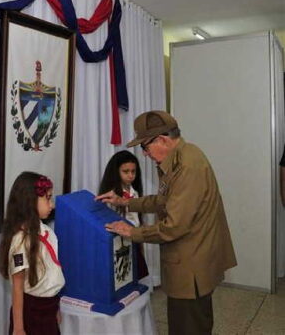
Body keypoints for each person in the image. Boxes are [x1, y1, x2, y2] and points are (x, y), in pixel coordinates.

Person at [97, 110, 236, 335]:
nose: (144, 154)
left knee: (188, 327)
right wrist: (124, 201)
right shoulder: (181, 157)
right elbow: (163, 201)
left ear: (161, 139)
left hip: (191, 268)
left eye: (144, 147)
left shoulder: (187, 167)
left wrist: (133, 233)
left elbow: (174, 226)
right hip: (191, 262)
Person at [0, 172, 65, 335]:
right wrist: (19, 328)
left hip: (49, 307)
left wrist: (55, 308)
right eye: (48, 198)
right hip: (32, 312)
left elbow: (50, 272)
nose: (52, 205)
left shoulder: (46, 231)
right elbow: (18, 288)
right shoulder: (20, 241)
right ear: (29, 202)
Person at [98, 150, 149, 279]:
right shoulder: (111, 195)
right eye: (125, 172)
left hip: (134, 235)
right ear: (116, 172)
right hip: (119, 239)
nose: (130, 175)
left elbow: (137, 217)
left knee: (137, 274)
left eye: (133, 171)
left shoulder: (134, 192)